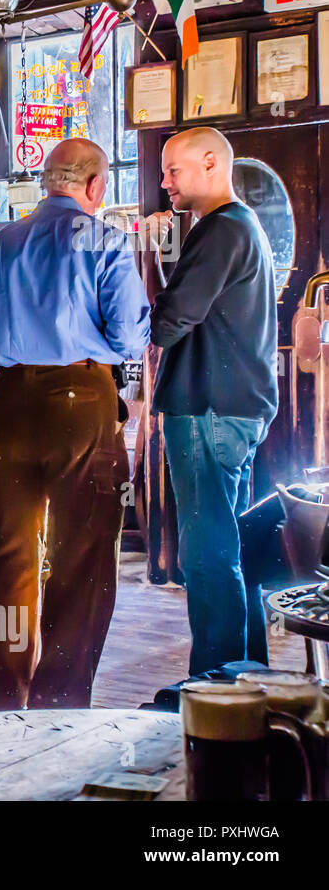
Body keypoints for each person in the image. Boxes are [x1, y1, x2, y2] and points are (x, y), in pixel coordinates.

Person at [0, 138, 150, 710]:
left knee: (11, 557)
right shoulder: (106, 241)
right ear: (95, 187)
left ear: (48, 183)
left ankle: (7, 693)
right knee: (83, 555)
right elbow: (128, 337)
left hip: (10, 401)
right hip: (80, 401)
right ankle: (58, 702)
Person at [144, 126, 278, 677]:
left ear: (209, 164)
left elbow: (170, 321)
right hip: (234, 409)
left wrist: (147, 256)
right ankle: (245, 677)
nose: (165, 181)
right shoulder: (242, 227)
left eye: (174, 170)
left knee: (207, 557)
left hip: (208, 410)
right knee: (229, 548)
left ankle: (217, 687)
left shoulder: (220, 229)